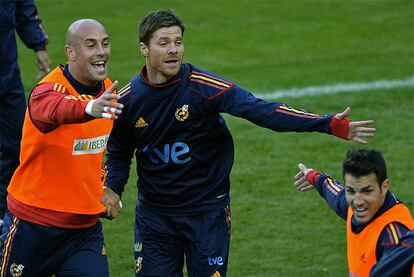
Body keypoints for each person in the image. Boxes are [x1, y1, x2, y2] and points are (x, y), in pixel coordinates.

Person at [105, 10, 376, 277]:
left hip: (207, 213)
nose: (173, 50)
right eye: (163, 43)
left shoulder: (202, 86)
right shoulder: (127, 100)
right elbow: (119, 151)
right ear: (144, 48)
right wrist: (113, 188)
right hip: (156, 218)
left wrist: (327, 124)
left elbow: (261, 110)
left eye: (178, 41)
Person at [0, 19, 123, 277]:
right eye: (91, 45)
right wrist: (90, 108)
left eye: (105, 43)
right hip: (34, 227)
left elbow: (112, 148)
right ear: (71, 52)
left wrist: (108, 185)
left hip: (84, 231)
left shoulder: (108, 92)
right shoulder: (47, 90)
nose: (101, 51)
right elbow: (58, 108)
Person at [294, 148, 414, 277]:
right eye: (351, 191)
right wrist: (315, 177)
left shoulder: (394, 238)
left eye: (366, 191)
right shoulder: (358, 207)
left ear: (384, 187)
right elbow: (336, 194)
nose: (357, 201)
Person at [0, 0, 52, 226]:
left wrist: (38, 45)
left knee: (18, 144)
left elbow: (22, 7)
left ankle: (4, 213)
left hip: (6, 79)